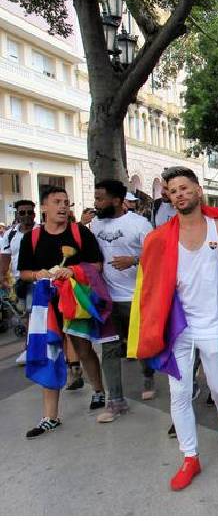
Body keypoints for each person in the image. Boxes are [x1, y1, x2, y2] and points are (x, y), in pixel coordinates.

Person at [139, 167, 218, 490]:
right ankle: (190, 457)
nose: (179, 193)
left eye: (185, 187)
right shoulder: (159, 238)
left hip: (213, 323)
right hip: (178, 327)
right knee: (179, 393)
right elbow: (151, 283)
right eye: (173, 190)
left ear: (198, 191)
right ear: (168, 198)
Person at [17, 186, 107, 438]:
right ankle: (50, 416)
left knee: (82, 348)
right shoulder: (31, 239)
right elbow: (23, 272)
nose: (63, 206)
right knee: (49, 353)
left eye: (66, 201)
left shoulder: (79, 233)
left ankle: (98, 390)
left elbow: (97, 265)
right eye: (57, 201)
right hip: (46, 306)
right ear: (43, 207)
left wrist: (74, 271)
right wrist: (37, 274)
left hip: (76, 301)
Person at [87, 180, 155, 422]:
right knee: (110, 349)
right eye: (95, 198)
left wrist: (133, 260)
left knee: (141, 347)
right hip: (107, 300)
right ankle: (116, 401)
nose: (96, 203)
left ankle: (148, 374)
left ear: (116, 200)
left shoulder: (139, 224)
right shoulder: (94, 224)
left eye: (100, 199)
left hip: (135, 298)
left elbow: (157, 254)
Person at [1, 199, 37, 365]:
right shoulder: (10, 234)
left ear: (34, 213)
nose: (26, 216)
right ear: (17, 214)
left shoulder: (41, 231)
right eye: (22, 212)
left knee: (32, 314)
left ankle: (30, 349)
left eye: (29, 212)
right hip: (18, 282)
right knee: (25, 316)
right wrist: (2, 277)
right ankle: (31, 349)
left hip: (38, 280)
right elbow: (5, 257)